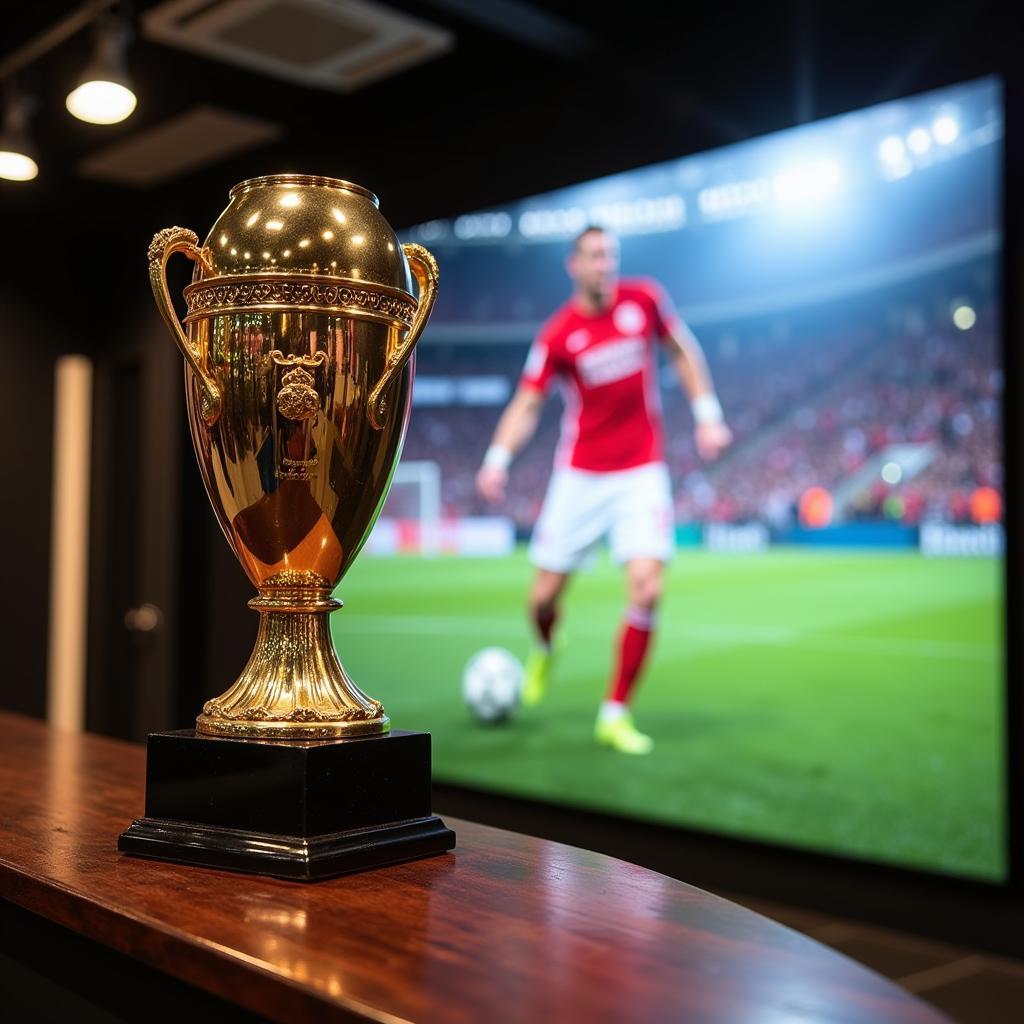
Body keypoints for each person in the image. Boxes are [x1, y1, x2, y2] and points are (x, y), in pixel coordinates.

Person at [476, 225, 732, 754]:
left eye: (610, 255)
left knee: (648, 588)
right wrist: (498, 459)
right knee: (542, 599)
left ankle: (615, 712)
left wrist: (708, 415)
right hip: (580, 475)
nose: (605, 265)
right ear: (573, 265)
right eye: (594, 256)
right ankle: (547, 645)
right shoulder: (557, 334)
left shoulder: (645, 300)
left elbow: (683, 352)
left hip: (641, 470)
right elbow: (528, 402)